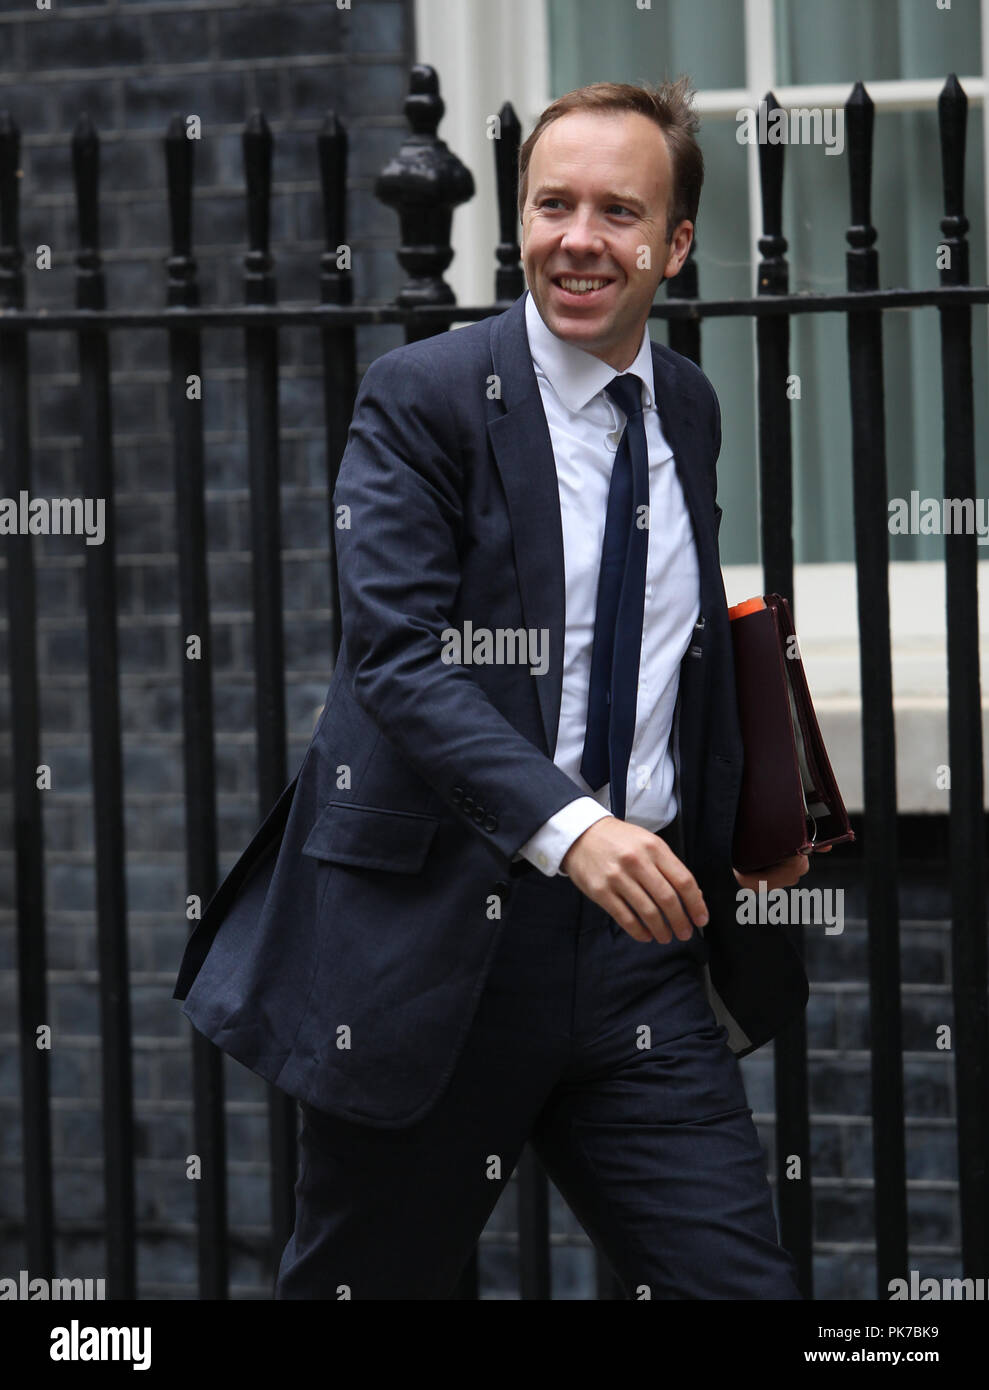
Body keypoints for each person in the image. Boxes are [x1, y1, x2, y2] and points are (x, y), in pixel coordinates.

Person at [174, 77, 819, 1300]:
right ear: (517, 219)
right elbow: (398, 658)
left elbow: (669, 636)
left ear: (674, 244)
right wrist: (574, 832)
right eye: (550, 205)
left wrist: (748, 813)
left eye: (617, 212)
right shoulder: (424, 398)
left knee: (739, 1287)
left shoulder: (683, 403)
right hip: (437, 950)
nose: (576, 240)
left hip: (637, 958)